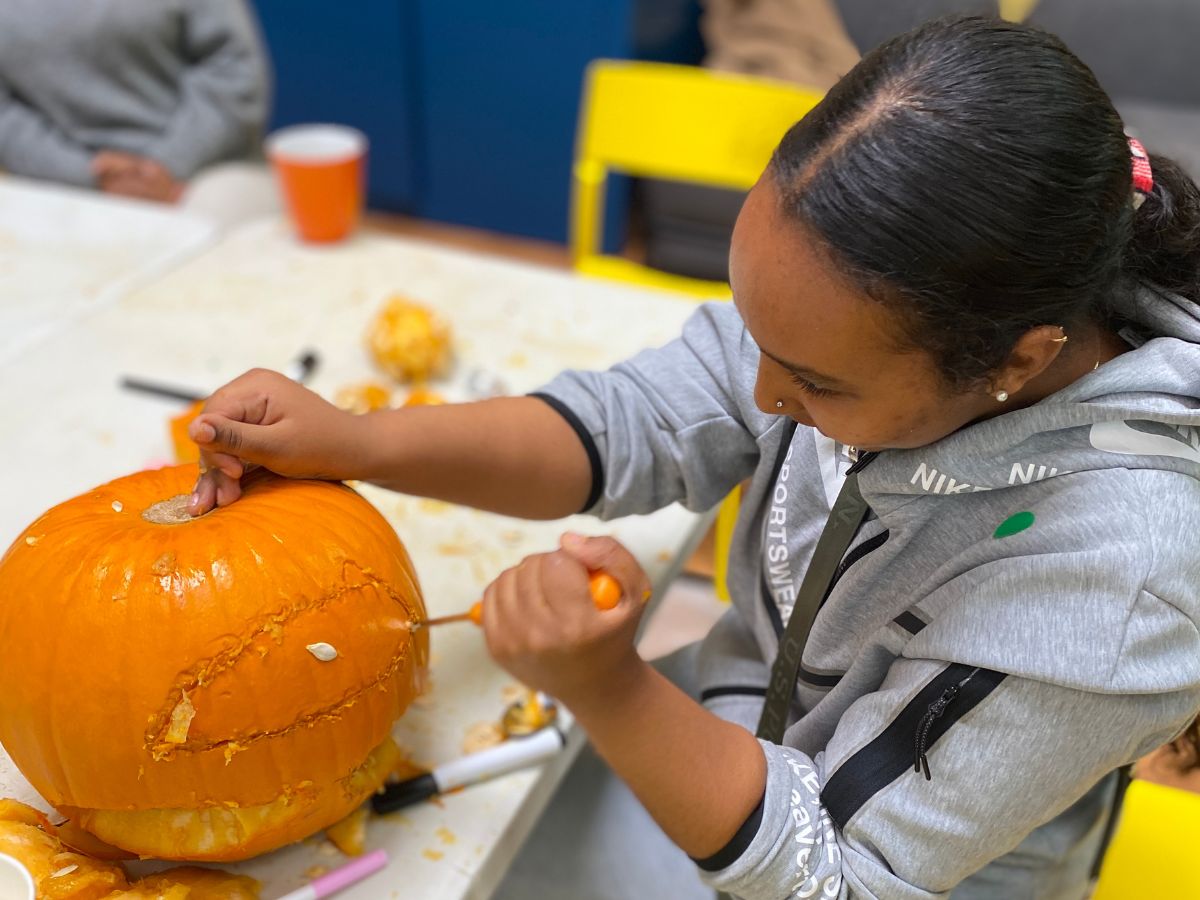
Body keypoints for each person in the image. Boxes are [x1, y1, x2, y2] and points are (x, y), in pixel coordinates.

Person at [185, 17, 1200, 899]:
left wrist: (612, 690)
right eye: (753, 335)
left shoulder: (1118, 579)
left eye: (815, 384)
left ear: (1011, 364)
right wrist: (357, 443)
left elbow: (835, 874)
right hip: (732, 744)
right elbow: (629, 422)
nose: (764, 399)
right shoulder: (869, 320)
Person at [0, 0, 277, 228]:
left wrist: (166, 165)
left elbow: (235, 70)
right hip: (51, 182)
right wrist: (84, 174)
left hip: (203, 174)